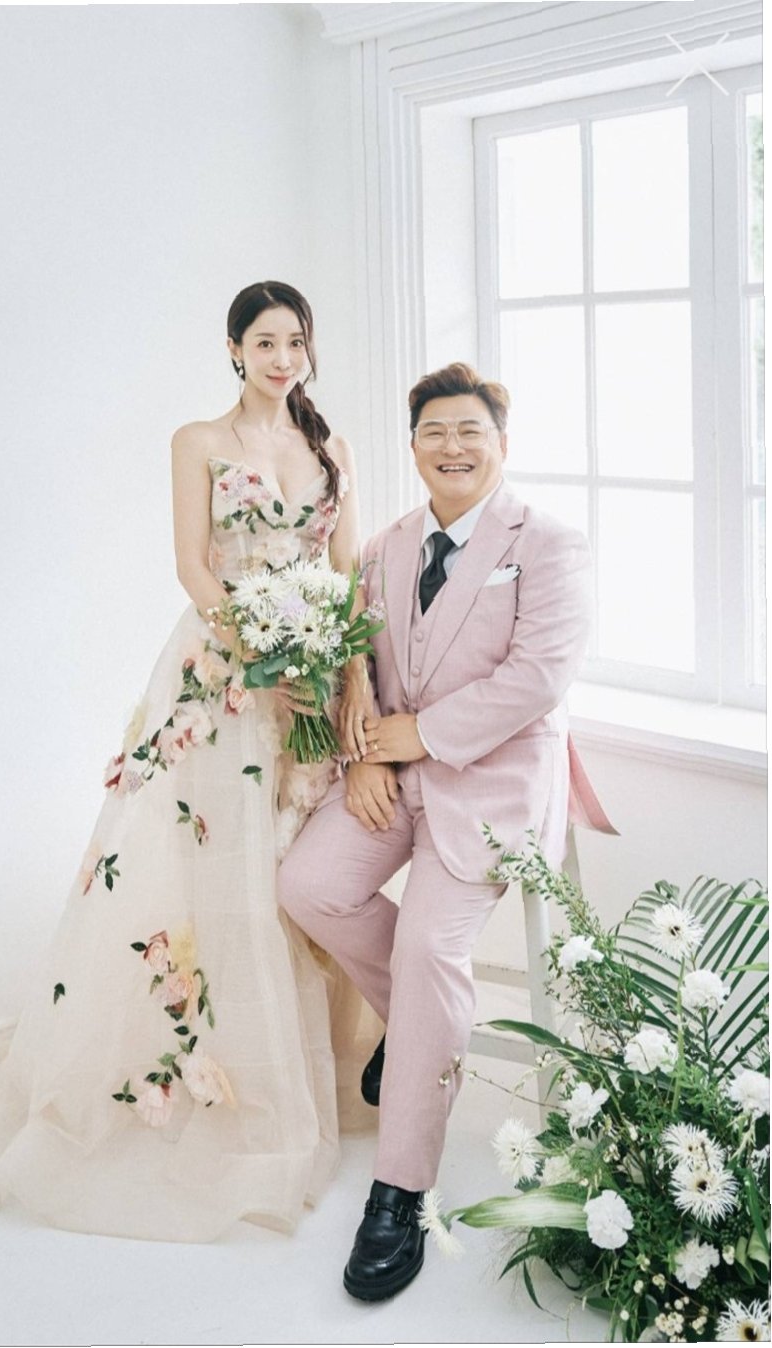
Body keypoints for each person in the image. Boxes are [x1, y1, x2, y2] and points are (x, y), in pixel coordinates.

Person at [0, 280, 379, 1242]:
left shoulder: (334, 451)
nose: (282, 359)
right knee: (218, 862)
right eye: (264, 342)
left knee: (298, 867)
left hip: (312, 677)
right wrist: (263, 654)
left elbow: (347, 575)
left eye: (295, 342)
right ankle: (227, 1084)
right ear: (233, 350)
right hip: (227, 675)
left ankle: (304, 1070)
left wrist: (340, 673)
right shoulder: (199, 441)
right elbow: (192, 564)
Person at [278, 360, 615, 1300]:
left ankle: (401, 1188)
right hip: (393, 774)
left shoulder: (550, 544)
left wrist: (420, 735)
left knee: (430, 947)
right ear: (413, 446)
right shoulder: (384, 545)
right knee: (307, 885)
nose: (452, 446)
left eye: (471, 431)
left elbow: (537, 678)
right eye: (434, 432)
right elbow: (363, 667)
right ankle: (419, 1026)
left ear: (502, 443)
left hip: (492, 783)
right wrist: (367, 754)